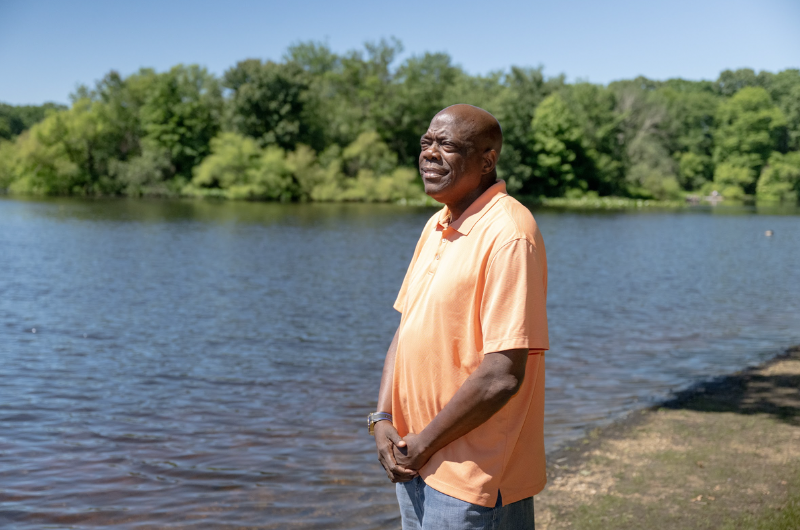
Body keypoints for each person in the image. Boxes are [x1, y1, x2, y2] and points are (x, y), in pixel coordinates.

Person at [368, 104, 549, 529]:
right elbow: (406, 329)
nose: (430, 153)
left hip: (473, 477)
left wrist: (425, 443)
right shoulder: (437, 224)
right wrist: (382, 418)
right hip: (415, 460)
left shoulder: (509, 235)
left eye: (446, 144)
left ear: (487, 160)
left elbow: (502, 374)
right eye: (426, 142)